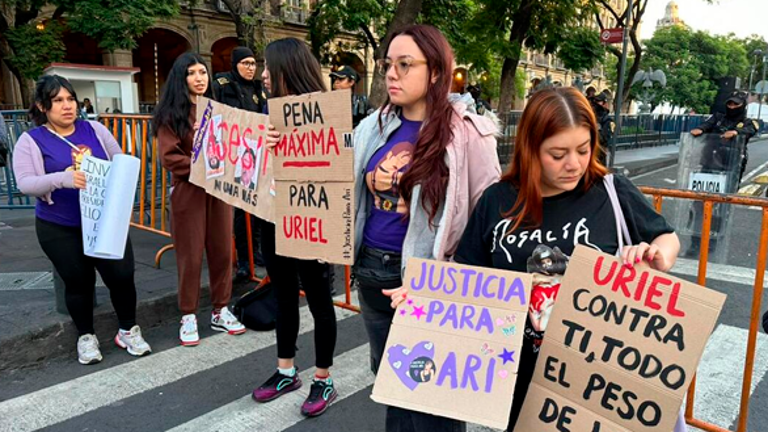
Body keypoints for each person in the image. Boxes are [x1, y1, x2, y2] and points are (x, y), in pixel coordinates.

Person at [447, 87, 680, 431]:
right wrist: (421, 300)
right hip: (516, 377)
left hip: (595, 380)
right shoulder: (496, 201)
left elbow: (667, 237)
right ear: (530, 150)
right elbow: (464, 278)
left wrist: (655, 256)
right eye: (558, 154)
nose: (574, 164)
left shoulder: (611, 191)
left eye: (583, 150)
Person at [352, 25, 501, 431]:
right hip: (373, 276)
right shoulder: (373, 126)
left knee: (436, 403)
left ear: (435, 71)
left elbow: (489, 218)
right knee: (394, 390)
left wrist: (447, 283)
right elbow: (331, 178)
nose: (392, 75)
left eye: (405, 64)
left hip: (433, 286)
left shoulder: (469, 133)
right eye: (387, 65)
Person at [13, 75, 152, 365]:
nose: (67, 106)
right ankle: (86, 336)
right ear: (42, 106)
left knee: (122, 276)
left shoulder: (96, 130)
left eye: (71, 99)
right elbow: (26, 182)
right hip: (59, 225)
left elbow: (120, 162)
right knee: (78, 282)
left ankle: (128, 329)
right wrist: (63, 179)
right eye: (58, 101)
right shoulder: (31, 140)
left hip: (104, 220)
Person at [250, 38, 339, 418]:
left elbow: (336, 167)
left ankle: (323, 377)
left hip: (312, 221)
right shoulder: (266, 113)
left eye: (269, 67)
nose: (264, 75)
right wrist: (262, 145)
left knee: (319, 300)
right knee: (284, 294)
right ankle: (286, 370)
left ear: (288, 68)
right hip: (273, 217)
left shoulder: (326, 113)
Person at [153, 52, 246, 346]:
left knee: (221, 251)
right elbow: (170, 157)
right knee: (190, 254)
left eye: (203, 72)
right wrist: (203, 169)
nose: (199, 78)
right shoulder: (170, 115)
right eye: (192, 73)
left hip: (220, 190)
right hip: (189, 190)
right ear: (181, 78)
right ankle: (189, 314)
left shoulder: (219, 111)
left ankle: (220, 310)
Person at [212, 46, 267, 281]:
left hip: (256, 154)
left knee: (259, 209)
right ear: (235, 64)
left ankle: (257, 252)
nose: (250, 68)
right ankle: (244, 260)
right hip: (233, 155)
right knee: (241, 212)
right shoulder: (222, 85)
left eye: (253, 64)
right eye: (245, 63)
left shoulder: (259, 89)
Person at [691, 90, 758, 182]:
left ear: (743, 105)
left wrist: (736, 132)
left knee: (727, 190)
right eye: (729, 104)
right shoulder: (718, 117)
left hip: (733, 162)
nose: (732, 107)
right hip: (711, 159)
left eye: (735, 104)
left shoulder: (748, 122)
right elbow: (707, 124)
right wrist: (700, 129)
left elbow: (751, 130)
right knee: (704, 188)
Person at [589, 91, 614, 166]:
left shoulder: (607, 120)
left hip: (598, 155)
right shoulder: (589, 115)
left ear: (604, 103)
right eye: (594, 101)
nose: (594, 103)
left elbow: (605, 139)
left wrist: (597, 128)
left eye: (597, 101)